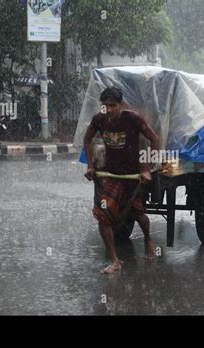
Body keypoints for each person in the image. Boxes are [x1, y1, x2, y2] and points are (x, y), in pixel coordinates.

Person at [83, 87, 160, 274]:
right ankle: (115, 261)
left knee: (138, 213)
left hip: (132, 174)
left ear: (121, 105)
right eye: (105, 105)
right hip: (109, 175)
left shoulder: (133, 119)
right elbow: (87, 139)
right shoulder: (99, 119)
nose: (108, 110)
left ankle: (148, 238)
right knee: (103, 215)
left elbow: (154, 139)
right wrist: (90, 166)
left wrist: (147, 169)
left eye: (113, 106)